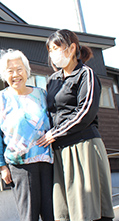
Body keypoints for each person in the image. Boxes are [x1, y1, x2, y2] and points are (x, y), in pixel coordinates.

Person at [37, 29, 114, 221]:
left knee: (88, 208)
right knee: (65, 210)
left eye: (57, 48)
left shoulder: (85, 74)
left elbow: (86, 111)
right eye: (50, 50)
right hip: (59, 150)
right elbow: (49, 112)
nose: (53, 53)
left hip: (82, 146)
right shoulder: (53, 80)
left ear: (71, 48)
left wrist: (55, 132)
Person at [0, 49, 54, 221]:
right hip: (20, 165)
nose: (15, 74)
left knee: (52, 214)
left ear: (27, 71)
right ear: (4, 74)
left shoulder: (42, 94)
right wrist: (2, 166)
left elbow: (55, 122)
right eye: (10, 71)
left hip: (47, 162)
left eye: (19, 69)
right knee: (29, 215)